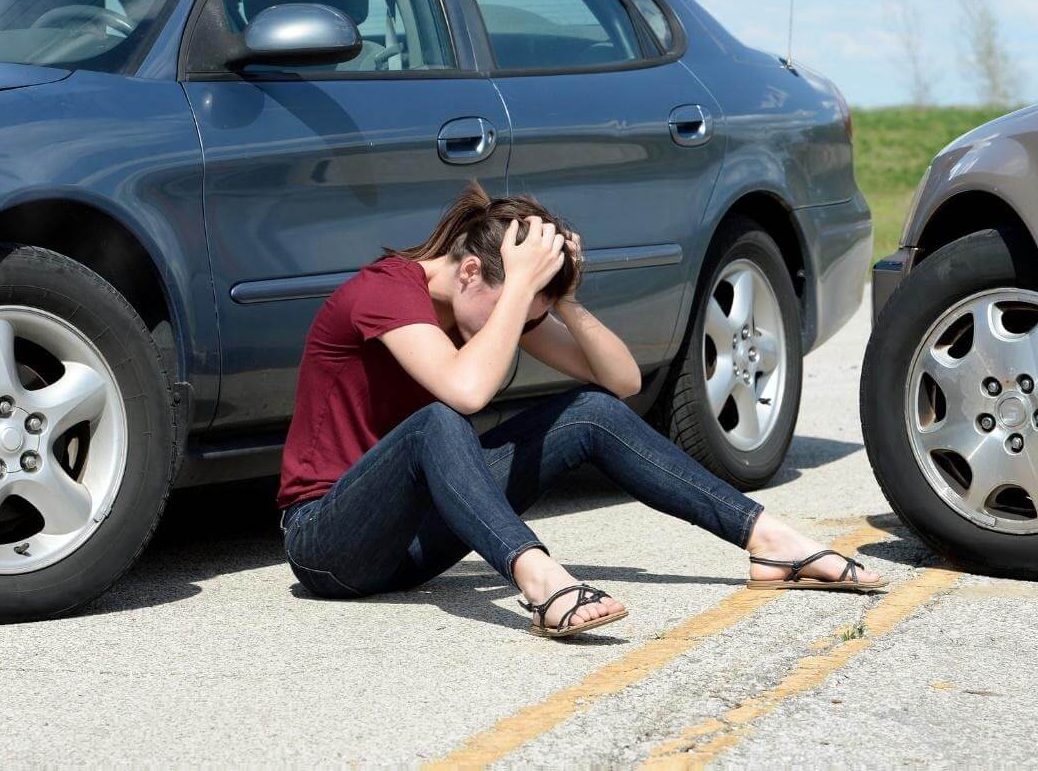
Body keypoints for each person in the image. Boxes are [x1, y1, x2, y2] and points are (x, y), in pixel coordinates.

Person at [276, 181, 885, 638]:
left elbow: (618, 381)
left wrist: (560, 302)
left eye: (529, 310)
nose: (517, 324)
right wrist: (516, 290)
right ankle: (539, 579)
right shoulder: (384, 292)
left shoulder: (489, 302)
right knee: (440, 421)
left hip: (413, 544)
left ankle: (768, 539)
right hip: (329, 545)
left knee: (587, 411)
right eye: (513, 302)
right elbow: (463, 393)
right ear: (468, 271)